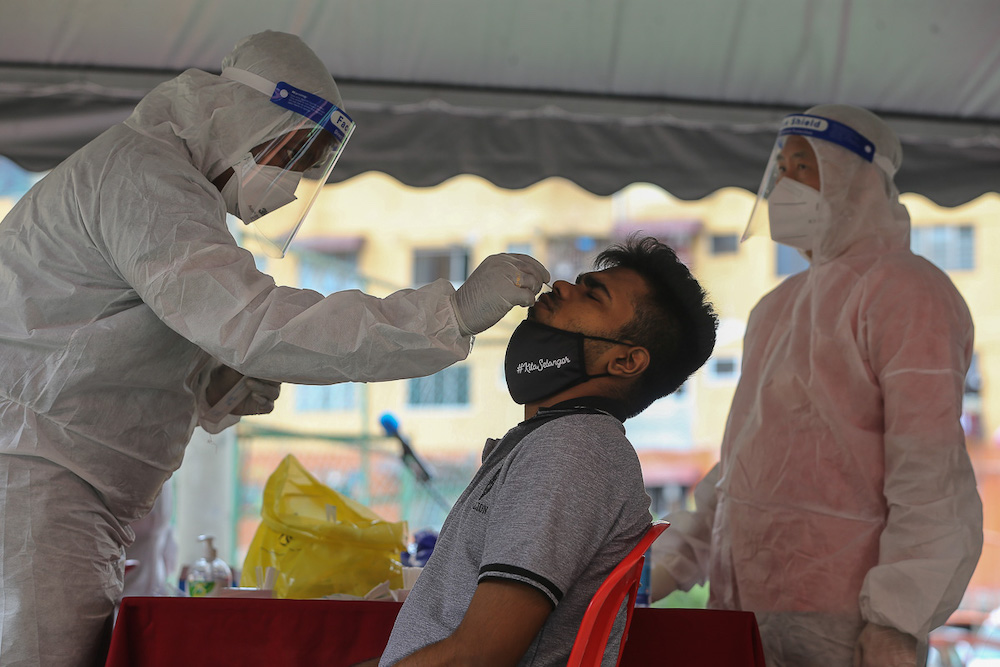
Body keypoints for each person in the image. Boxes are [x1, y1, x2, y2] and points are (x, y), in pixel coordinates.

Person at [0, 31, 547, 666]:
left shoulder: (168, 187)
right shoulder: (144, 179)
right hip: (40, 472)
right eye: (291, 156)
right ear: (241, 116)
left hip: (72, 476)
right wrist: (448, 314)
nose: (289, 187)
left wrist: (213, 382)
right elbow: (253, 323)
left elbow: (109, 336)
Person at [649, 104, 983, 667]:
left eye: (803, 167)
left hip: (848, 627)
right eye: (780, 168)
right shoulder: (775, 308)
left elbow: (929, 473)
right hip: (744, 613)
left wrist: (896, 620)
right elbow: (740, 470)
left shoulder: (906, 290)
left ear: (858, 177)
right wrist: (663, 568)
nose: (784, 185)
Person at [358, 236, 717, 667]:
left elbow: (481, 653)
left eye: (592, 295)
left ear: (625, 362)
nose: (561, 286)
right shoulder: (556, 438)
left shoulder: (572, 448)